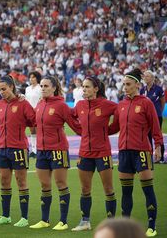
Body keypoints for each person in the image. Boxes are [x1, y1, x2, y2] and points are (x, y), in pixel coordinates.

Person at [109, 68, 163, 237]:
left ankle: (152, 225)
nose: (125, 87)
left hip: (142, 151)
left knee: (148, 189)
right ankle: (125, 227)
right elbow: (115, 127)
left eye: (128, 84)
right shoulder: (121, 104)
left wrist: (158, 146)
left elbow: (155, 127)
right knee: (126, 191)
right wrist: (97, 128)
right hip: (124, 152)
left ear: (137, 85)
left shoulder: (146, 103)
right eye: (123, 84)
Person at [29, 76, 80, 231]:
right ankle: (45, 220)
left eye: (46, 86)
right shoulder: (39, 104)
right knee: (45, 185)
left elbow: (76, 126)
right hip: (41, 151)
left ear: (54, 88)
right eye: (41, 86)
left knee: (61, 184)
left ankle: (63, 221)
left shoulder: (61, 105)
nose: (43, 88)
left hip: (58, 150)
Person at [0, 75, 36, 227]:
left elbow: (33, 120)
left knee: (21, 181)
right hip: (3, 148)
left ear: (12, 87)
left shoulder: (23, 103)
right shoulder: (0, 104)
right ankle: (6, 216)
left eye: (4, 89)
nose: (1, 92)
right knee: (4, 181)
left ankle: (24, 218)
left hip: (19, 148)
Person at [71, 76, 117, 231]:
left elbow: (121, 114)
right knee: (85, 189)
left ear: (96, 88)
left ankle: (111, 225)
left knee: (108, 189)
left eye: (87, 87)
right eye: (83, 87)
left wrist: (108, 131)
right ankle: (85, 222)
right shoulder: (79, 105)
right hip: (84, 153)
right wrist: (81, 132)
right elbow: (69, 117)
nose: (84, 89)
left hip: (103, 152)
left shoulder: (107, 104)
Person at [140, 71, 165, 163]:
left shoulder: (158, 89)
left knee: (158, 136)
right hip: (146, 118)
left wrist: (159, 112)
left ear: (152, 78)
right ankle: (149, 157)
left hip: (157, 116)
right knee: (147, 136)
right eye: (144, 76)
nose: (145, 78)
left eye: (147, 76)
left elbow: (163, 101)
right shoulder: (142, 90)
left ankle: (161, 158)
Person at [25, 71, 42, 158]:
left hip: (38, 112)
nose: (31, 79)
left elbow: (41, 100)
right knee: (32, 131)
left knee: (39, 131)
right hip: (29, 112)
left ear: (37, 78)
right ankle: (34, 150)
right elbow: (26, 101)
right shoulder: (27, 89)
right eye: (30, 77)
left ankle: (39, 150)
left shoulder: (40, 88)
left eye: (33, 77)